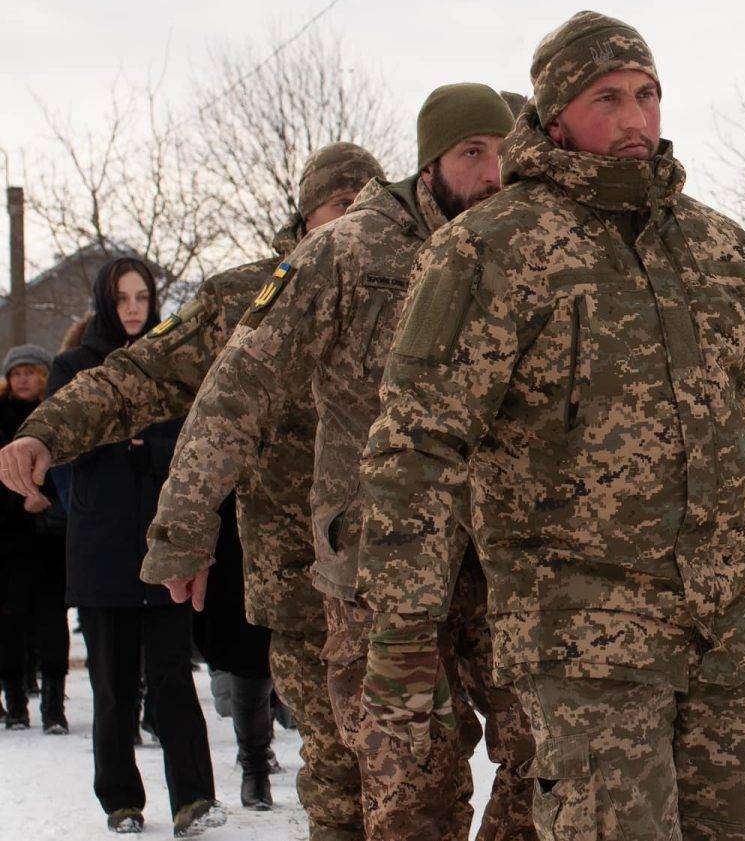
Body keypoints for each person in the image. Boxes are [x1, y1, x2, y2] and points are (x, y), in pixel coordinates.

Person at [353, 11, 745, 841]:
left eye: (647, 94)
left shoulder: (718, 248)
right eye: (607, 98)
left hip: (728, 631)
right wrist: (404, 632)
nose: (635, 118)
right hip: (586, 639)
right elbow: (415, 446)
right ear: (556, 117)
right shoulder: (492, 249)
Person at [138, 87, 530, 841]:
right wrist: (183, 526)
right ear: (430, 162)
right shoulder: (349, 250)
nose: (492, 172)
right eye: (471, 153)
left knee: (548, 754)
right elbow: (236, 388)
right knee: (409, 783)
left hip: (502, 560)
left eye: (504, 151)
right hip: (377, 568)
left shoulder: (524, 246)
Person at [0, 142, 384, 830]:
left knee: (421, 767)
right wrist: (48, 430)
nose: (354, 221)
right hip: (303, 579)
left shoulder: (420, 285)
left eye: (367, 205)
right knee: (339, 771)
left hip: (406, 575)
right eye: (338, 206)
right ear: (304, 218)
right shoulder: (250, 297)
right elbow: (142, 373)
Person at [50, 257, 225, 836]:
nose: (132, 308)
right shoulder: (73, 367)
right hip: (101, 548)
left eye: (142, 298)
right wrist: (121, 446)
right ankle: (121, 801)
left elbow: (188, 443)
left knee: (174, 679)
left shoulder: (170, 368)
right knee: (113, 686)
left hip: (164, 544)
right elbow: (65, 450)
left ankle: (194, 799)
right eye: (122, 298)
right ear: (105, 302)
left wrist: (138, 446)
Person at [0, 344, 67, 734]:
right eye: (16, 372)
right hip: (9, 541)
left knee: (52, 620)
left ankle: (53, 705)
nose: (23, 378)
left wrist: (47, 501)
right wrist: (19, 500)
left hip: (52, 538)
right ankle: (15, 703)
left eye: (31, 371)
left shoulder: (57, 419)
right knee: (10, 621)